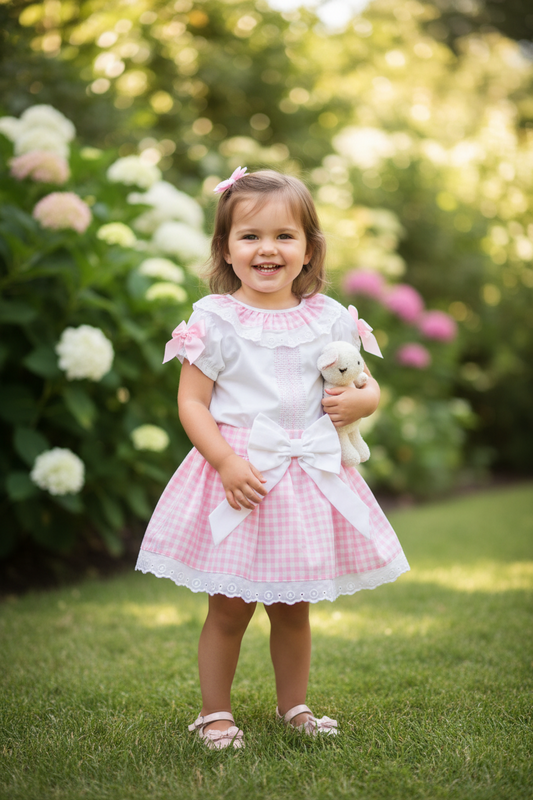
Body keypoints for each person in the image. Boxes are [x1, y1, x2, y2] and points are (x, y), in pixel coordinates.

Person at [136, 168, 409, 750]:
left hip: (306, 478)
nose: (268, 249)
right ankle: (215, 715)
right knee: (230, 609)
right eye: (250, 236)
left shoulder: (330, 317)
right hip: (241, 473)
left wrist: (363, 399)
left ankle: (296, 706)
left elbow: (364, 386)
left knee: (293, 608)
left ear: (309, 248)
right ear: (226, 249)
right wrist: (224, 462)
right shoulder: (214, 319)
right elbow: (192, 403)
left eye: (285, 236)